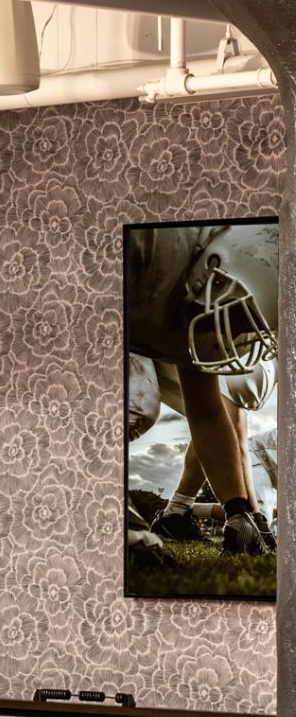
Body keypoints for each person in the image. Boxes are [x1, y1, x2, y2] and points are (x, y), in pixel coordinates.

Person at [127, 222, 280, 556]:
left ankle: (175, 515)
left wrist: (240, 511)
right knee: (138, 406)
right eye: (241, 317)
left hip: (155, 325)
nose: (238, 339)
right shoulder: (149, 249)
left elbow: (208, 412)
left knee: (233, 391)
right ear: (213, 267)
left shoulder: (202, 299)